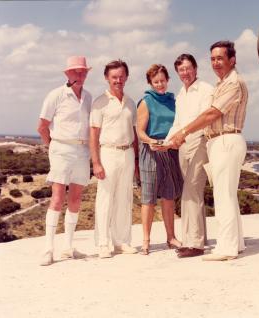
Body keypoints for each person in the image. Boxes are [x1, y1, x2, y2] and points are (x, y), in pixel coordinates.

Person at [170, 41, 248, 261]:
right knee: (228, 195)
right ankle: (237, 243)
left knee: (223, 196)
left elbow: (210, 114)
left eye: (220, 58)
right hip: (219, 142)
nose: (215, 63)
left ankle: (226, 248)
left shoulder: (233, 83)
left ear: (232, 60)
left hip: (226, 140)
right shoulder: (223, 83)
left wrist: (183, 132)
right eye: (213, 59)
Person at [37, 56, 92, 266]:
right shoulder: (56, 95)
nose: (80, 75)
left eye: (83, 72)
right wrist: (51, 146)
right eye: (76, 71)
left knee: (76, 198)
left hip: (82, 150)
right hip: (61, 149)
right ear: (67, 74)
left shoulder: (87, 97)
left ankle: (68, 247)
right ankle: (48, 248)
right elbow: (42, 127)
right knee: (58, 198)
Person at [89, 60, 139, 259]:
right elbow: (93, 135)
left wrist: (135, 161)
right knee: (105, 198)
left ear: (126, 77)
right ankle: (103, 243)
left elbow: (134, 134)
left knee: (124, 198)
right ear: (107, 78)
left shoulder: (131, 103)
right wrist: (96, 162)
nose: (118, 80)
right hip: (107, 153)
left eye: (121, 76)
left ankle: (121, 242)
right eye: (114, 77)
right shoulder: (99, 103)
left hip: (127, 153)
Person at [167, 54, 213, 258]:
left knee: (191, 190)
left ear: (195, 68)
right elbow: (177, 122)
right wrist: (167, 142)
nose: (185, 73)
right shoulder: (180, 94)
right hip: (184, 145)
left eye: (188, 68)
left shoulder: (206, 89)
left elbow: (203, 120)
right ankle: (198, 239)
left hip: (201, 142)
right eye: (181, 70)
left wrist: (182, 135)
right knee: (193, 193)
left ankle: (193, 243)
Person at [137, 64, 183, 255]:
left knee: (169, 196)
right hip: (151, 152)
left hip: (171, 151)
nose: (160, 84)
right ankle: (146, 241)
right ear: (150, 83)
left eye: (163, 80)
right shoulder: (146, 101)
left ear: (168, 80)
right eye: (156, 82)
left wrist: (173, 142)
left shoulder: (174, 100)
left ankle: (171, 237)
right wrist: (152, 141)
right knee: (148, 198)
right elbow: (139, 131)